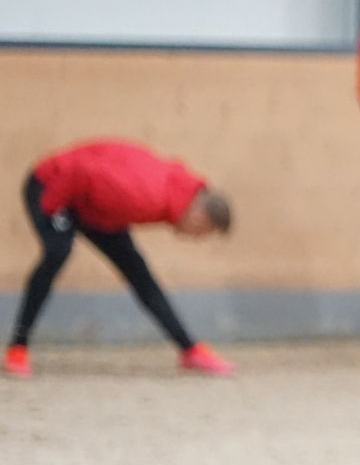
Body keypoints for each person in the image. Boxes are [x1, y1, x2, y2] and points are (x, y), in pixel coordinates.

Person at [6, 139, 234, 378]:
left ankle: (190, 350)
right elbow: (81, 172)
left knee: (139, 274)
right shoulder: (147, 196)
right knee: (57, 253)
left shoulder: (174, 192)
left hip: (93, 208)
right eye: (202, 233)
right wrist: (52, 212)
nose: (195, 238)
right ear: (199, 217)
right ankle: (17, 348)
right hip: (52, 185)